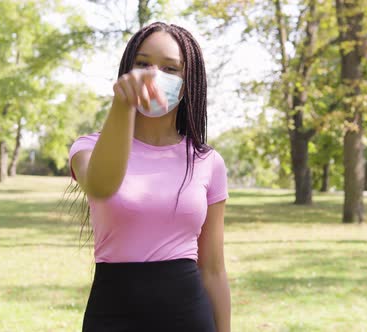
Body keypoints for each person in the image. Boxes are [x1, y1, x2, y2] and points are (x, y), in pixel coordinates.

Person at [69, 22, 231, 332]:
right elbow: (101, 185)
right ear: (126, 71)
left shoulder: (207, 162)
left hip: (188, 317)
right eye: (143, 64)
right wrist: (122, 106)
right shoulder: (88, 147)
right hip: (111, 315)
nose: (153, 76)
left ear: (188, 83)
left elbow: (213, 270)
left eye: (171, 69)